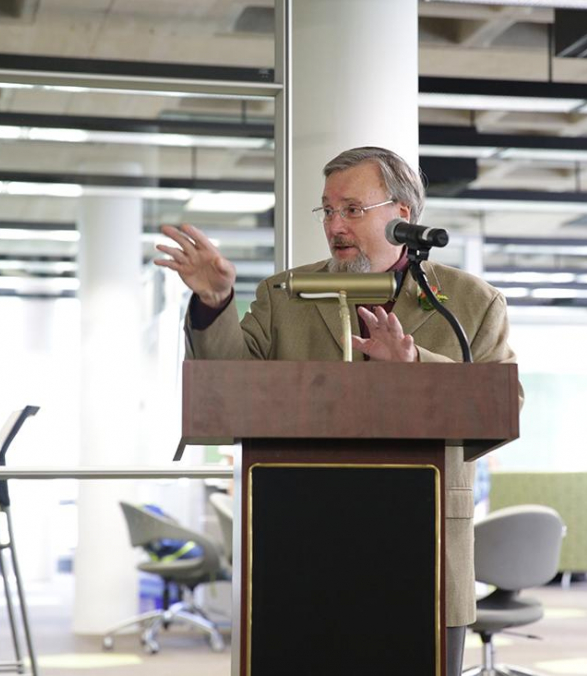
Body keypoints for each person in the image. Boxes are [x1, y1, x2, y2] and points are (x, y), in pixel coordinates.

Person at [155, 146, 519, 675]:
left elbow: (503, 407)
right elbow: (228, 381)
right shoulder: (284, 294)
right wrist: (215, 303)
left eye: (352, 209)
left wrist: (416, 363)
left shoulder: (469, 301)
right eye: (327, 211)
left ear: (403, 215)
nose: (335, 225)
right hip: (298, 547)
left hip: (426, 555)